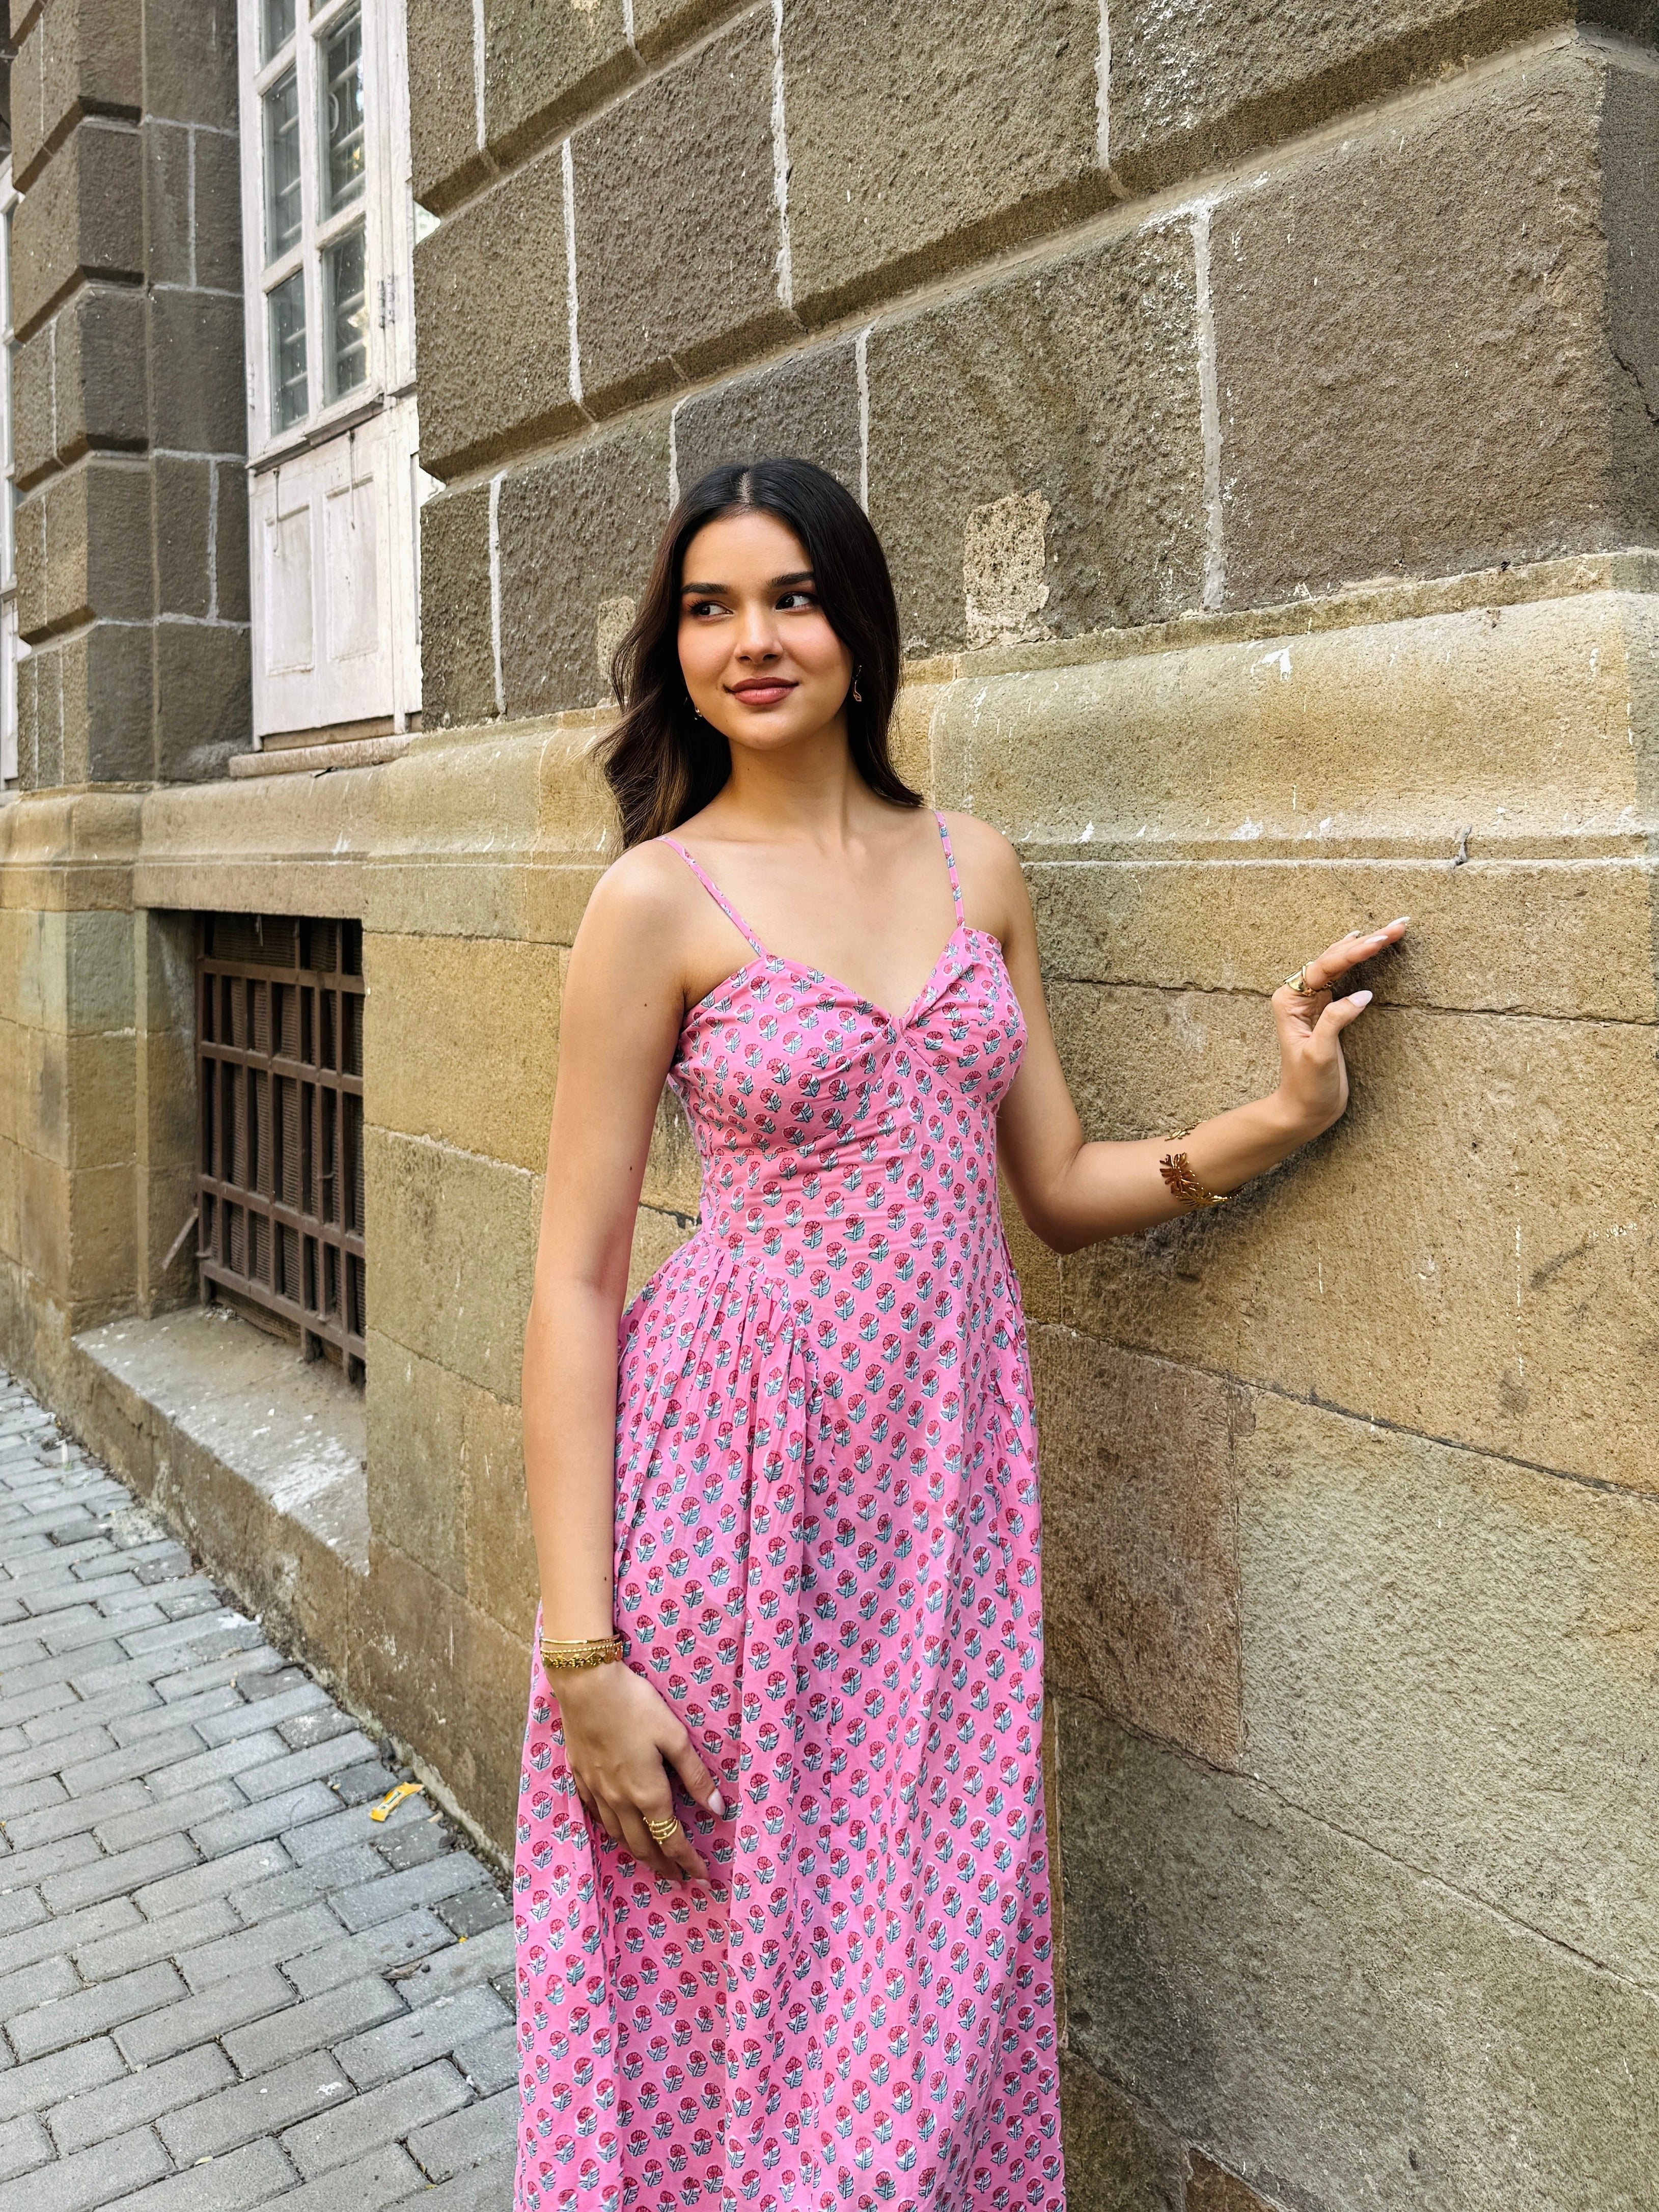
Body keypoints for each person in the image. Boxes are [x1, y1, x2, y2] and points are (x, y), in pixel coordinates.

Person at [513, 457, 1407, 2212]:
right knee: (722, 1972)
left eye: (790, 596)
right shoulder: (657, 902)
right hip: (728, 1489)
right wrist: (581, 1655)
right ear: (671, 649)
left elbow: (1059, 1183)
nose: (751, 639)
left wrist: (1278, 1115)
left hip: (940, 1503)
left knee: (926, 1964)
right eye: (707, 608)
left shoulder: (975, 868)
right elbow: (571, 1281)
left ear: (861, 623)